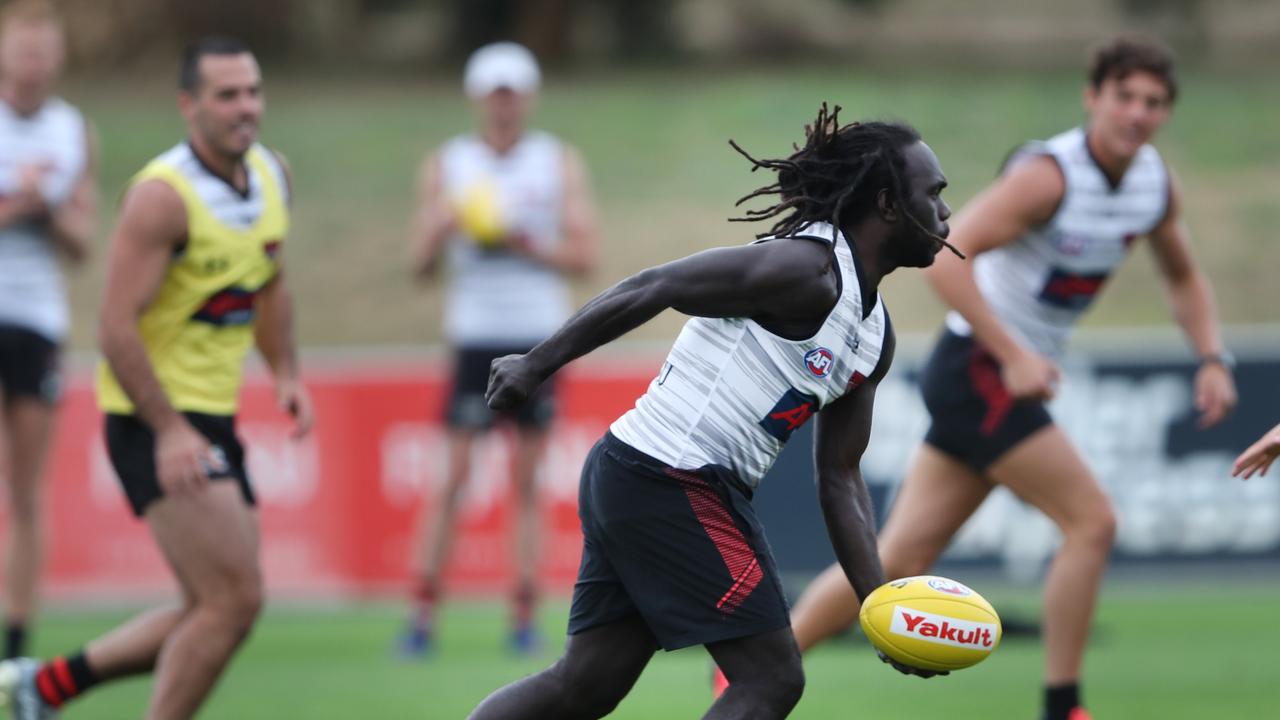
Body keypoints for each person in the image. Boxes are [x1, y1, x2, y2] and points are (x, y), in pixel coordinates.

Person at [782, 36, 1236, 720]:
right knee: (1093, 522)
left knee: (897, 559)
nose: (1138, 114)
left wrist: (1209, 357)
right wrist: (1016, 353)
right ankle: (1063, 706)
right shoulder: (1050, 176)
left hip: (992, 377)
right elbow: (947, 255)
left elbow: (1181, 273)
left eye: (1155, 102)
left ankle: (751, 673)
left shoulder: (1152, 185)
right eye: (1126, 97)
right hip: (981, 369)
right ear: (1094, 98)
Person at [468, 103, 957, 720]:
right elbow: (655, 284)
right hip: (670, 476)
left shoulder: (871, 336)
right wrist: (537, 364)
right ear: (888, 205)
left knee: (584, 686)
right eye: (933, 194)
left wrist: (878, 605)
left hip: (647, 476)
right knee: (772, 680)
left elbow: (839, 476)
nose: (945, 212)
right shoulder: (806, 269)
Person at [0, 36, 310, 720]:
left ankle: (40, 688)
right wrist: (169, 430)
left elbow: (271, 280)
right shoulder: (161, 198)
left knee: (215, 606)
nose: (245, 108)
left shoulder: (272, 175)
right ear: (188, 106)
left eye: (252, 91)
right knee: (232, 602)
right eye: (226, 95)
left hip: (212, 414)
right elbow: (113, 327)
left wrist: (284, 369)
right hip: (154, 419)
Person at [401, 41, 599, 656]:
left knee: (526, 480)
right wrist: (439, 230)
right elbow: (419, 265)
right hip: (474, 335)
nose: (504, 105)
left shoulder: (556, 162)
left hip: (537, 336)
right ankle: (422, 614)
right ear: (478, 98)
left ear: (529, 98)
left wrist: (523, 243)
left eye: (513, 93)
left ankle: (522, 615)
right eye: (495, 94)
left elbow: (586, 256)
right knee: (453, 477)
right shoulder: (449, 165)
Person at [0, 0, 96, 661]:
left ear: (57, 59)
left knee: (26, 491)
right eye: (22, 48)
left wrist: (47, 210)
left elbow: (84, 242)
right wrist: (14, 208)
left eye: (44, 50)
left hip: (38, 319)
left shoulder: (71, 130)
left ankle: (14, 645)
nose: (33, 62)